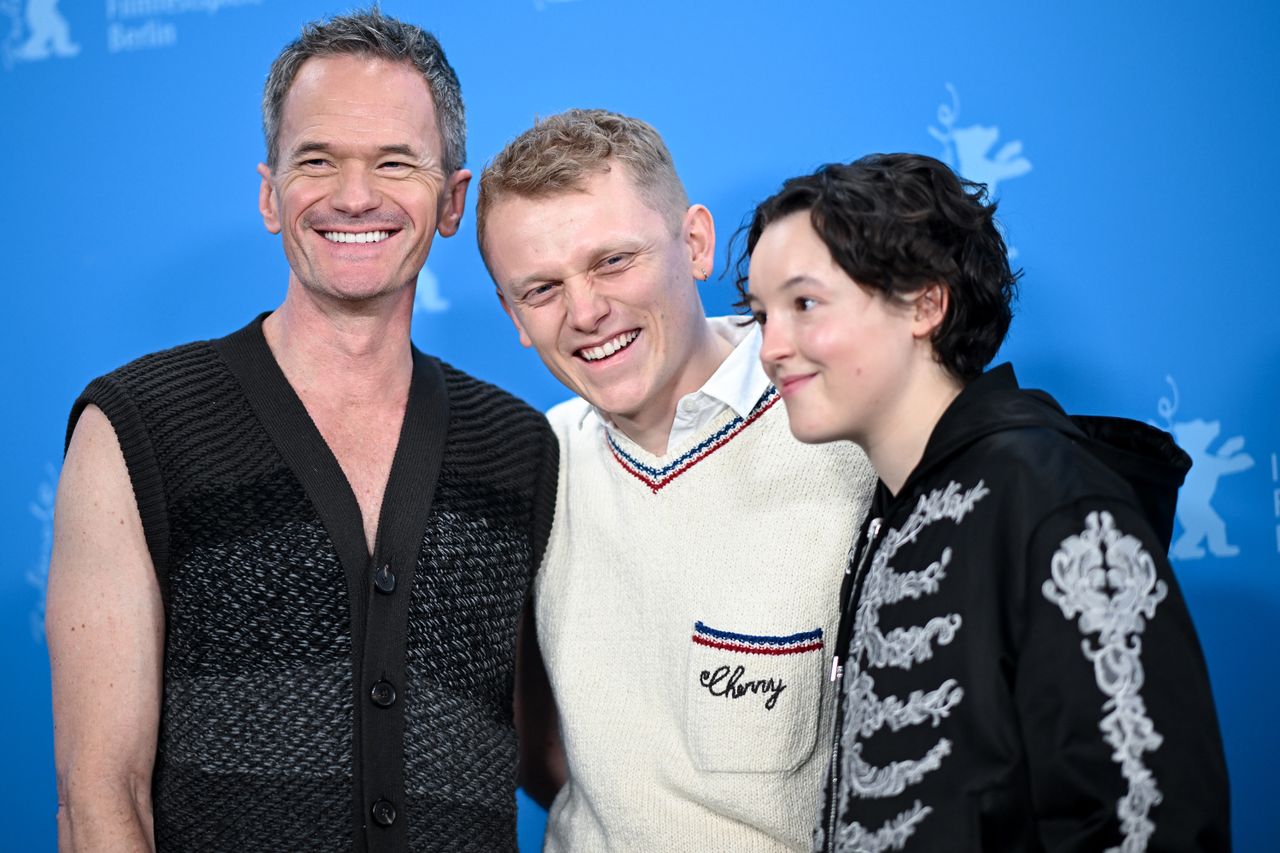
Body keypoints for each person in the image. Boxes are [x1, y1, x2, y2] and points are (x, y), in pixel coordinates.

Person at [46, 9, 557, 851]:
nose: (355, 196)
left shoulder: (520, 446)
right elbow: (101, 797)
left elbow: (554, 751)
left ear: (454, 199)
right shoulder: (138, 425)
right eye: (317, 160)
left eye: (396, 162)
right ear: (270, 193)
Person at [740, 153, 1231, 852]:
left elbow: (1151, 818)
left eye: (805, 304)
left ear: (924, 304)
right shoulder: (897, 504)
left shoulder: (1050, 497)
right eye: (761, 314)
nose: (771, 347)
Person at [475, 108, 877, 851]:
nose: (587, 312)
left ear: (694, 243)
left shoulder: (849, 425)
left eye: (612, 261)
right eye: (541, 288)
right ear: (513, 315)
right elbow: (534, 745)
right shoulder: (534, 464)